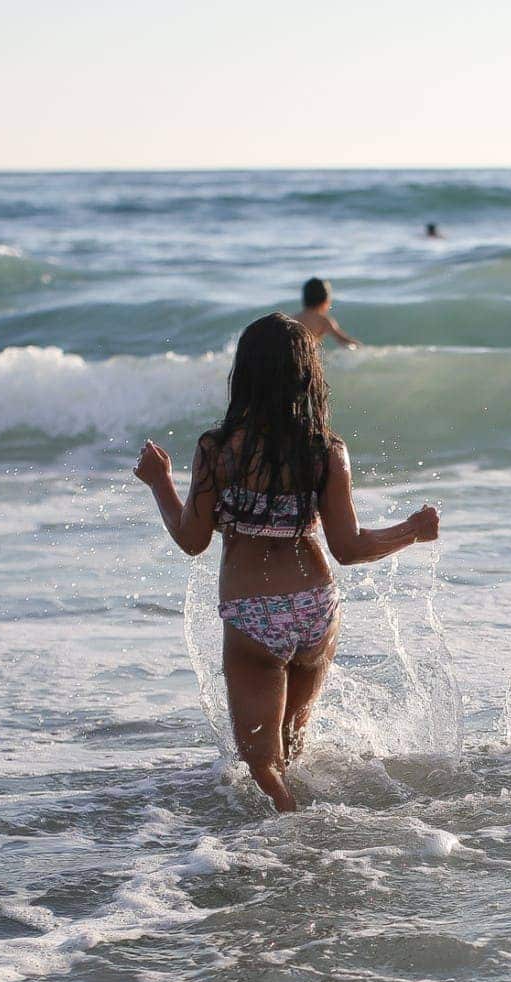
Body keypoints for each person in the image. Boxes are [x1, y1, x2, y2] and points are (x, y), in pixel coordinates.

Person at [135, 313, 437, 812]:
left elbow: (192, 539)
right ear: (308, 376)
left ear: (244, 373)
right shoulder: (325, 450)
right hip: (317, 609)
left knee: (261, 764)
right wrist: (411, 531)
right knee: (291, 749)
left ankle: (296, 844)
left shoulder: (217, 450)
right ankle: (312, 846)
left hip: (255, 614)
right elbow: (349, 547)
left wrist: (158, 482)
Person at [292, 277, 361, 348]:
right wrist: (361, 347)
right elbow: (343, 339)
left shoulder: (294, 318)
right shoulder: (323, 320)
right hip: (308, 355)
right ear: (326, 301)